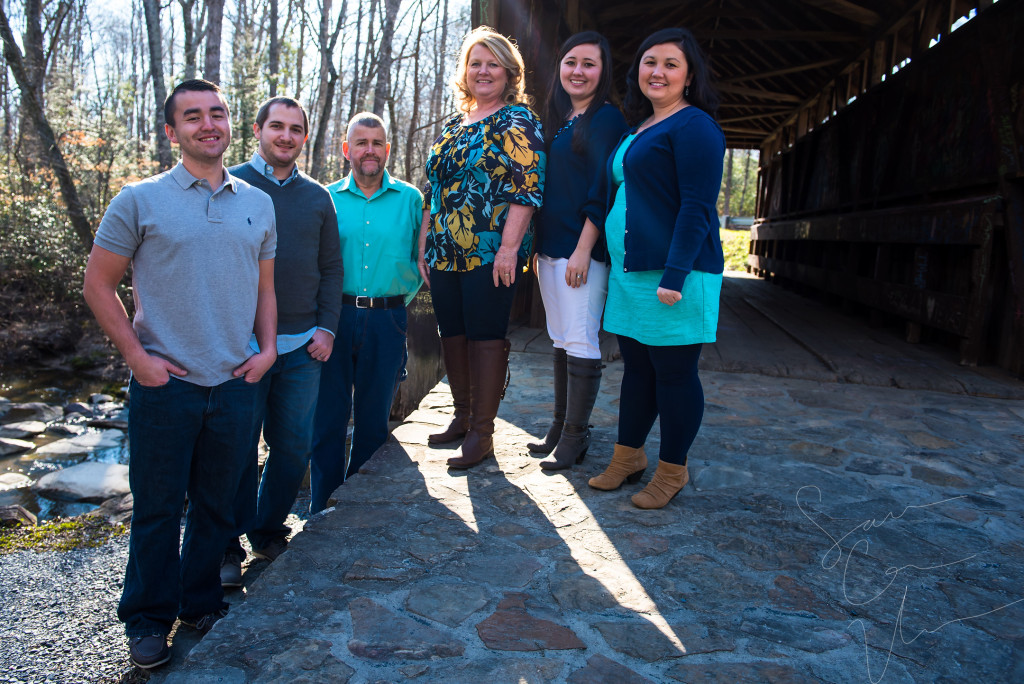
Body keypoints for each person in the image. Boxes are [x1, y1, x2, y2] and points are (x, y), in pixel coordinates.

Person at [82, 79, 277, 669]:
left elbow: (266, 288)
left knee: (218, 507)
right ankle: (147, 620)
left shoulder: (257, 202)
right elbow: (97, 284)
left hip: (236, 382)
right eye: (192, 117)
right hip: (166, 386)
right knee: (159, 509)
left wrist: (267, 350)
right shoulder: (139, 199)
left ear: (229, 124)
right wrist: (139, 361)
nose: (207, 124)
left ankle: (200, 602)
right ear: (172, 132)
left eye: (217, 113)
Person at [586, 28, 725, 509]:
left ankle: (672, 470)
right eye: (649, 62)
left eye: (670, 63)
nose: (657, 72)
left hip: (674, 275)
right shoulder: (639, 128)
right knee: (638, 371)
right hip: (632, 273)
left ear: (689, 76)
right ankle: (628, 457)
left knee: (674, 375)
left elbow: (696, 208)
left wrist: (675, 274)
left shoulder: (695, 127)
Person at [221, 97, 343, 584]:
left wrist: (327, 328)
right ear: (257, 129)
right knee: (236, 447)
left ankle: (268, 530)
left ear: (305, 138)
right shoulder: (229, 184)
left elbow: (332, 269)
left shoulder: (317, 198)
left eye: (296, 129)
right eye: (277, 126)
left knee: (292, 448)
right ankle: (226, 543)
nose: (286, 136)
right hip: (240, 348)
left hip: (301, 348)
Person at [418, 26, 545, 470]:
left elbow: (526, 190)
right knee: (451, 333)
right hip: (445, 249)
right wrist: (424, 245)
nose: (483, 71)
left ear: (509, 73)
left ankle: (482, 434)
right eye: (476, 63)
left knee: (485, 335)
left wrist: (509, 249)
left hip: (491, 250)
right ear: (465, 72)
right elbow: (435, 190)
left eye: (493, 63)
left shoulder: (517, 121)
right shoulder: (455, 124)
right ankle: (462, 416)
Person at [310, 112, 423, 512]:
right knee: (327, 422)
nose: (369, 150)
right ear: (347, 150)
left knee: (373, 423)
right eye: (361, 142)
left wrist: (399, 305)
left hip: (387, 319)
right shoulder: (325, 198)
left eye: (377, 142)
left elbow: (420, 258)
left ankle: (358, 509)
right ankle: (322, 508)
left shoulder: (411, 199)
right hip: (332, 320)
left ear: (387, 149)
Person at [530, 31, 627, 471]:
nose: (578, 71)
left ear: (603, 72)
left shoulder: (606, 119)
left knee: (582, 338)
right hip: (550, 250)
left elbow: (601, 188)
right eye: (571, 62)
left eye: (589, 63)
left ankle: (576, 436)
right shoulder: (563, 119)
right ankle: (559, 424)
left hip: (580, 249)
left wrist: (584, 249)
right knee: (559, 338)